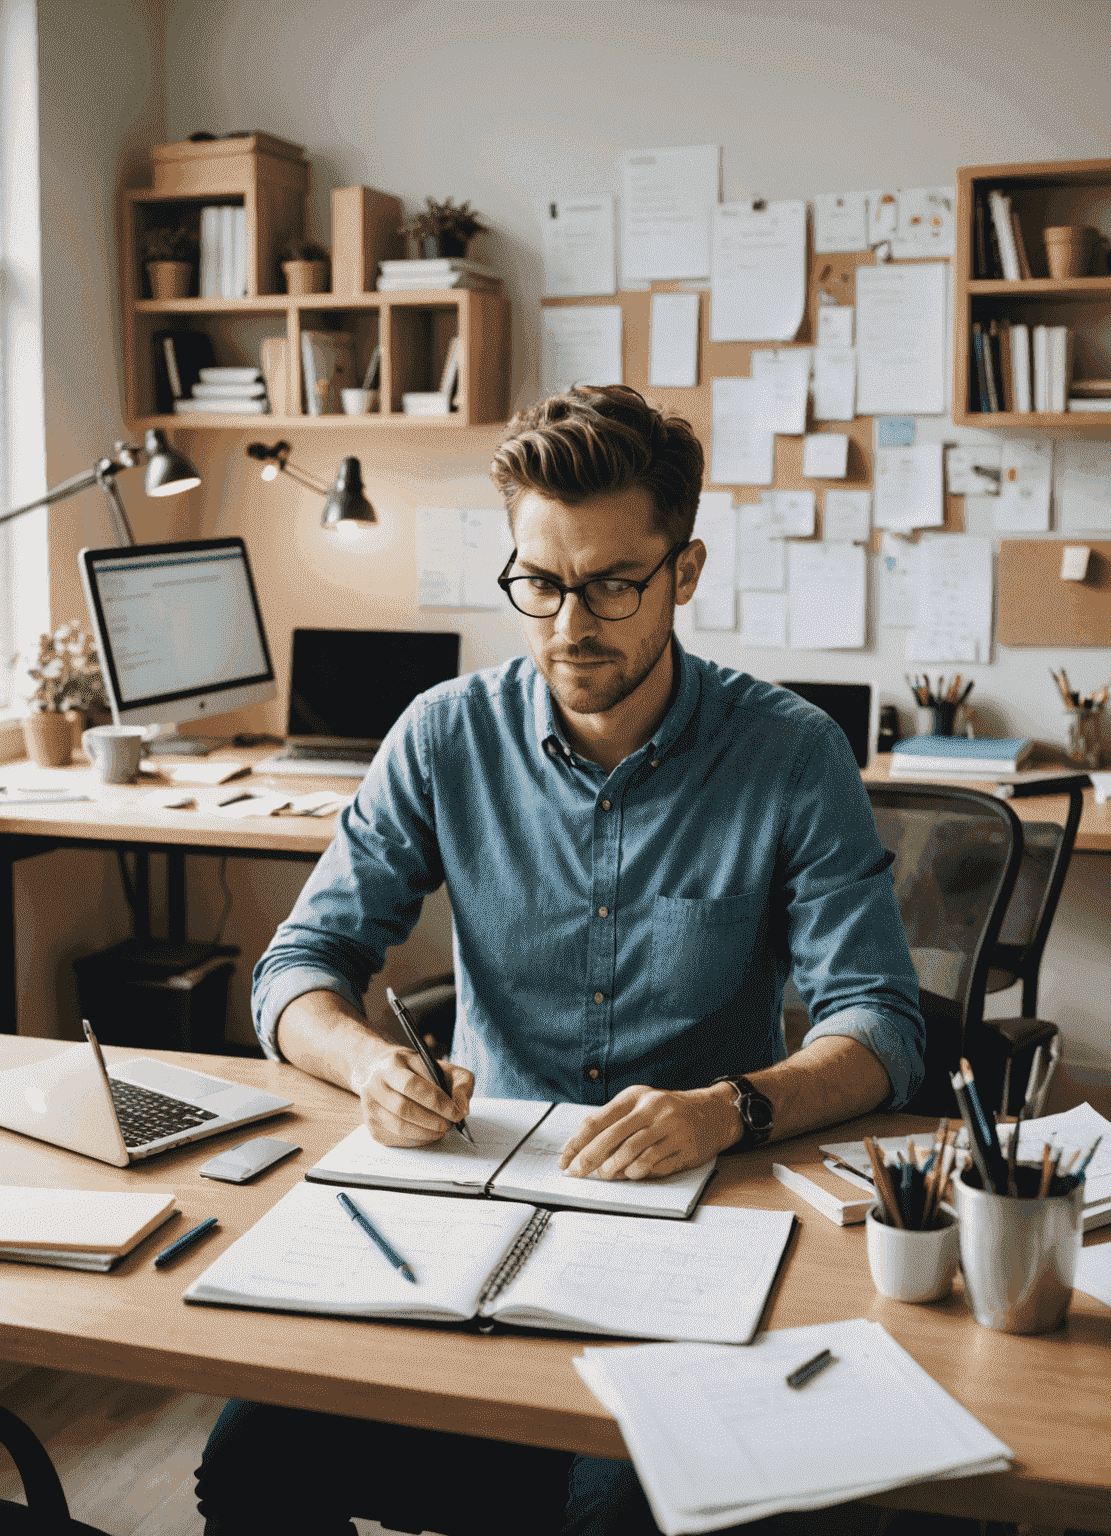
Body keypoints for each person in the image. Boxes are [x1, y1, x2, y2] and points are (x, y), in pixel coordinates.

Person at [196, 384, 925, 1536]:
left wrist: (729, 1107)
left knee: (619, 1513)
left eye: (611, 587)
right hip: (472, 1202)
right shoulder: (442, 735)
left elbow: (881, 1024)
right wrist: (368, 1066)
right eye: (538, 584)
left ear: (683, 574)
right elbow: (297, 967)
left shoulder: (791, 755)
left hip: (693, 1223)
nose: (569, 627)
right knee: (250, 1462)